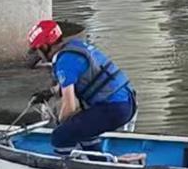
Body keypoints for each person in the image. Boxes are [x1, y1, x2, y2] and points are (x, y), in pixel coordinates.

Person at [27, 19, 136, 152]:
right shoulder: (75, 47)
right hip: (127, 101)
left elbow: (70, 106)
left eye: (37, 50)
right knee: (83, 130)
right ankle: (97, 162)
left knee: (60, 136)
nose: (37, 55)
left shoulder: (64, 62)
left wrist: (61, 124)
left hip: (113, 108)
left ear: (45, 46)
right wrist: (49, 92)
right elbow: (76, 81)